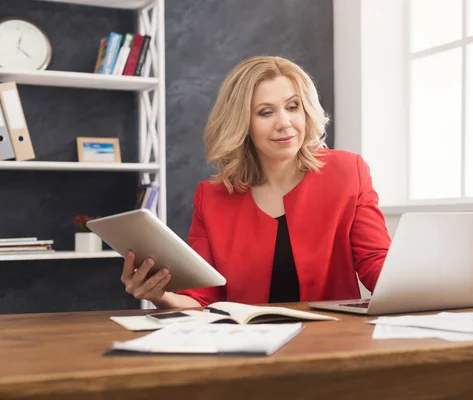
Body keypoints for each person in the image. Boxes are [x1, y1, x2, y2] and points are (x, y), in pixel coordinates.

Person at [120, 56, 391, 308]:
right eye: (265, 112)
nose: (284, 123)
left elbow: (375, 262)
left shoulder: (348, 171)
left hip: (330, 341)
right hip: (246, 344)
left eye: (292, 107)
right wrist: (160, 296)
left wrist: (425, 286)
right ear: (242, 124)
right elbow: (201, 296)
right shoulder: (212, 197)